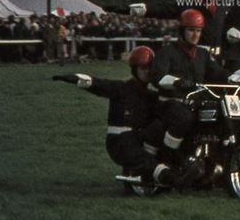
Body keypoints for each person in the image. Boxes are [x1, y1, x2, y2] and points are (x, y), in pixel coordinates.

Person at [52, 46, 190, 188]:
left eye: (149, 68)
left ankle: (175, 165)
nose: (147, 72)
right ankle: (169, 176)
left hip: (138, 137)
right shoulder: (121, 88)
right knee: (149, 163)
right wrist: (76, 79)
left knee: (163, 124)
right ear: (134, 69)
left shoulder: (151, 96)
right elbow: (98, 84)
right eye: (143, 68)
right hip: (120, 140)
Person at [149, 9, 238, 175]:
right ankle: (169, 158)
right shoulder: (167, 52)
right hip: (170, 102)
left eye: (198, 31)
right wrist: (177, 82)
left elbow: (217, 72)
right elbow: (157, 76)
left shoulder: (203, 54)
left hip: (195, 101)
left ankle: (219, 158)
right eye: (191, 30)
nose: (195, 35)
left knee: (223, 114)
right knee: (184, 118)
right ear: (182, 31)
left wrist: (235, 77)